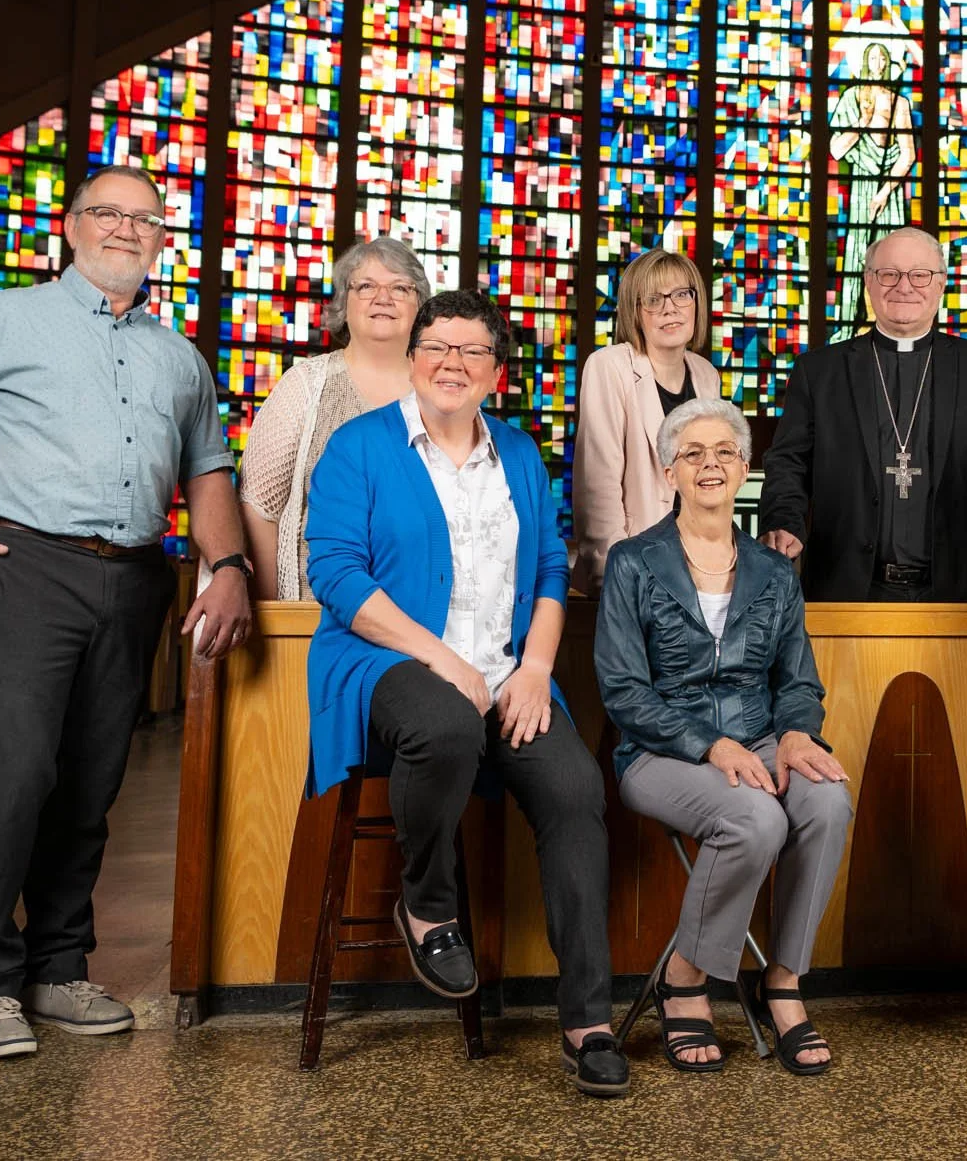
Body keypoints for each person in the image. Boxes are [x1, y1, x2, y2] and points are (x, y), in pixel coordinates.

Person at [0, 164, 254, 1062]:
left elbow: (207, 474)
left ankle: (56, 963)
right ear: (72, 227)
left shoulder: (179, 356)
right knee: (11, 774)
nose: (128, 228)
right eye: (109, 213)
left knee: (90, 784)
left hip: (133, 579)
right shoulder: (0, 317)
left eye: (147, 219)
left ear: (164, 240)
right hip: (24, 567)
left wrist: (229, 563)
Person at [303, 290, 625, 1097]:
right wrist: (442, 658)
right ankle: (428, 901)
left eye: (471, 351)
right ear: (412, 358)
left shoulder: (518, 452)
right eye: (435, 346)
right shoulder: (359, 446)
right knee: (447, 723)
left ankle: (587, 1020)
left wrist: (538, 667)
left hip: (507, 670)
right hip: (383, 661)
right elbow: (336, 573)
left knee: (575, 785)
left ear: (497, 374)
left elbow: (551, 565)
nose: (451, 362)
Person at [596, 398, 853, 1076]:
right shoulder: (632, 562)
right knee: (753, 817)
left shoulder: (774, 570)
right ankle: (684, 978)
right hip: (659, 750)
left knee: (828, 799)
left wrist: (797, 734)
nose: (709, 464)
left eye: (724, 452)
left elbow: (798, 678)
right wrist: (710, 744)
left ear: (745, 467)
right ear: (668, 469)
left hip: (760, 734)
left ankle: (784, 981)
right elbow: (624, 692)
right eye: (692, 452)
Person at [759, 226, 967, 601]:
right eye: (889, 274)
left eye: (920, 275)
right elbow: (788, 461)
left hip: (954, 589)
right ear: (869, 281)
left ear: (941, 284)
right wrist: (782, 522)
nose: (904, 286)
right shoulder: (820, 372)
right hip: (844, 586)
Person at [238, 236, 432, 600]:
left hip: (420, 618)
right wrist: (274, 608)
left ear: (421, 305)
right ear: (344, 303)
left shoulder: (440, 392)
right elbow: (259, 507)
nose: (383, 298)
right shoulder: (306, 386)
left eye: (400, 288)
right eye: (366, 286)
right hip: (314, 617)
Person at [573, 250, 722, 592]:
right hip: (631, 571)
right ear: (635, 311)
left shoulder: (706, 375)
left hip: (695, 570)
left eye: (682, 294)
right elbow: (598, 485)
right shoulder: (610, 366)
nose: (670, 308)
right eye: (653, 299)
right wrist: (616, 578)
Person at [830, 41, 919, 331]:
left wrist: (884, 192)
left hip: (888, 192)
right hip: (861, 186)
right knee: (857, 256)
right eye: (874, 58)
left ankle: (894, 325)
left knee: (895, 259)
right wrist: (863, 121)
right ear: (865, 62)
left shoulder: (900, 103)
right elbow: (836, 149)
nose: (879, 63)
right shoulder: (852, 98)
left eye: (884, 58)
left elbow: (908, 154)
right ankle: (848, 326)